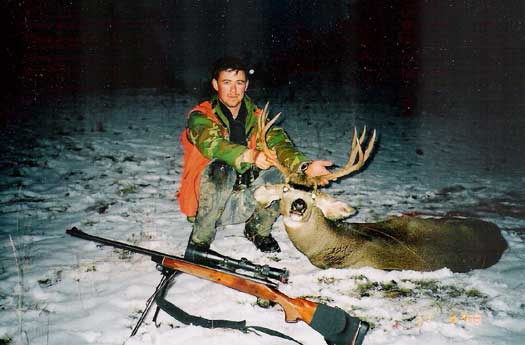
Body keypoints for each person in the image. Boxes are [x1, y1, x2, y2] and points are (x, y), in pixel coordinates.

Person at [178, 56, 332, 255]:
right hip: (209, 207)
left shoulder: (259, 118)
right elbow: (213, 144)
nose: (233, 90)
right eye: (227, 83)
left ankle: (257, 230)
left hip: (248, 199)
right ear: (216, 85)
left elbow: (279, 143)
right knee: (221, 168)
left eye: (239, 83)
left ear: (246, 85)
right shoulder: (200, 116)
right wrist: (250, 155)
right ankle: (199, 242)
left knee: (281, 170)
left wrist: (304, 166)